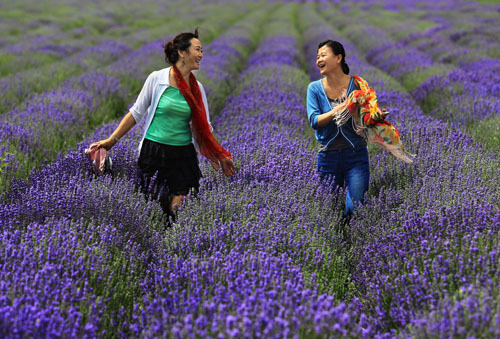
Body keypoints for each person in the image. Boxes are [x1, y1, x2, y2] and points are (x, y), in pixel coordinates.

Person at [95, 28, 234, 222]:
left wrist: (221, 155)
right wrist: (111, 140)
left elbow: (204, 128)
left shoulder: (198, 89)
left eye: (202, 50)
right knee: (152, 208)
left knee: (180, 207)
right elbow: (136, 113)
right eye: (197, 50)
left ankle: (177, 243)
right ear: (182, 53)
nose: (201, 55)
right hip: (155, 152)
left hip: (183, 155)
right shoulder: (157, 79)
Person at [306, 40, 387, 217]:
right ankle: (340, 239)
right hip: (328, 156)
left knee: (356, 208)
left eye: (323, 55)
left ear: (338, 58)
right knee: (331, 211)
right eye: (317, 56)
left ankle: (355, 238)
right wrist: (336, 110)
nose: (318, 59)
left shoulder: (358, 85)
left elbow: (367, 116)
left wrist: (376, 117)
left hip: (355, 154)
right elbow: (314, 120)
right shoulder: (314, 89)